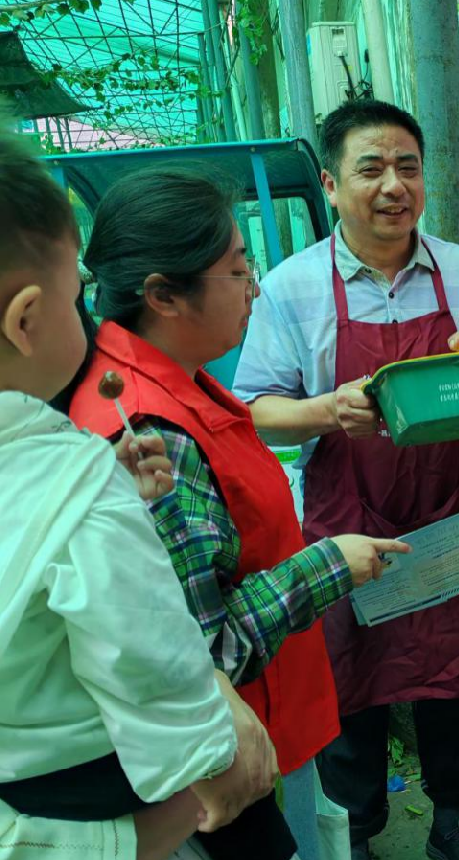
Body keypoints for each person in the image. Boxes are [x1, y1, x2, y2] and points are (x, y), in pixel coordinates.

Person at [65, 166, 410, 860]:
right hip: (237, 756)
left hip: (278, 720)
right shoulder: (149, 441)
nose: (255, 287)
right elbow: (205, 650)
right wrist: (329, 563)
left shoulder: (172, 383)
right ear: (164, 294)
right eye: (237, 270)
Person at [232, 99, 459, 860]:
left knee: (451, 684)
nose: (394, 185)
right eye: (372, 168)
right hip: (344, 516)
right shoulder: (293, 287)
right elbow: (252, 411)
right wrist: (326, 411)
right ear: (331, 185)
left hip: (451, 511)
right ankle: (356, 832)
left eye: (408, 167)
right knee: (348, 688)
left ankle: (452, 822)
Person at [0, 124, 265, 857]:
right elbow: (158, 666)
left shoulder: (86, 471)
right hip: (104, 813)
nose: (252, 289)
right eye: (239, 270)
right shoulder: (85, 484)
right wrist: (206, 777)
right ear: (25, 319)